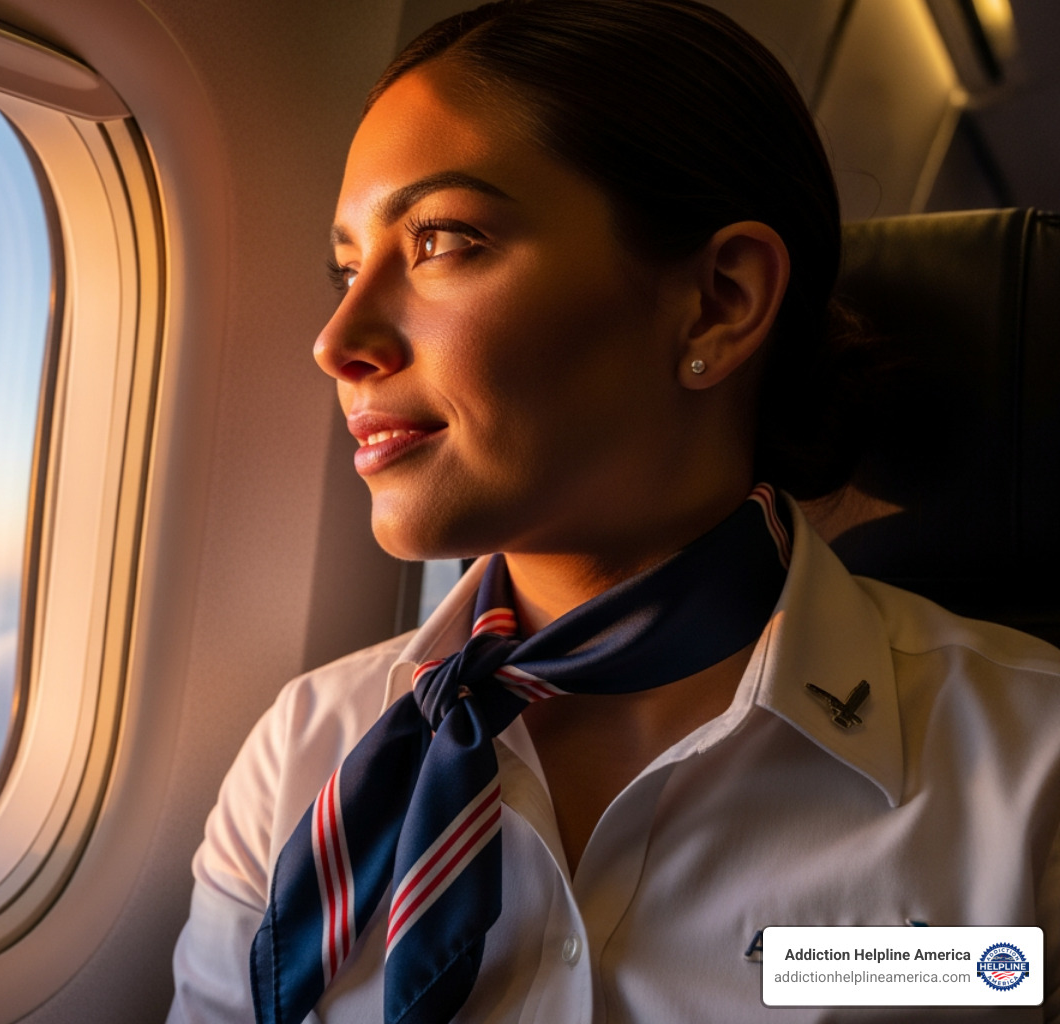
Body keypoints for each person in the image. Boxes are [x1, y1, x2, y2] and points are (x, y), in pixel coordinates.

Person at [168, 1, 1060, 1021]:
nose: (339, 339)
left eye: (442, 240)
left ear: (719, 301)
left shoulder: (1035, 770)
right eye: (345, 266)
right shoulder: (306, 754)